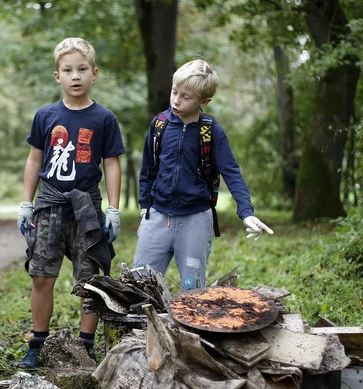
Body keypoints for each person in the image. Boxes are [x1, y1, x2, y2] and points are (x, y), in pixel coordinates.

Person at [16, 37, 125, 369]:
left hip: (86, 207)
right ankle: (37, 344)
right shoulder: (45, 115)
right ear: (57, 76)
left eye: (82, 70)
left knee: (89, 278)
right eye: (68, 70)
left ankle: (85, 346)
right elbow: (35, 160)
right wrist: (25, 202)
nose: (75, 76)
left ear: (94, 73)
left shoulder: (104, 118)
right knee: (41, 277)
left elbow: (111, 163)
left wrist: (114, 208)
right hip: (49, 204)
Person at [134, 59, 274, 290]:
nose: (176, 100)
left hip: (196, 220)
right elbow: (148, 168)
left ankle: (189, 327)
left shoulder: (212, 132)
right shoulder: (159, 125)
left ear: (204, 101)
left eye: (186, 97)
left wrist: (246, 213)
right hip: (157, 216)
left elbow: (232, 173)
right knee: (139, 286)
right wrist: (144, 204)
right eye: (174, 92)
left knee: (193, 289)